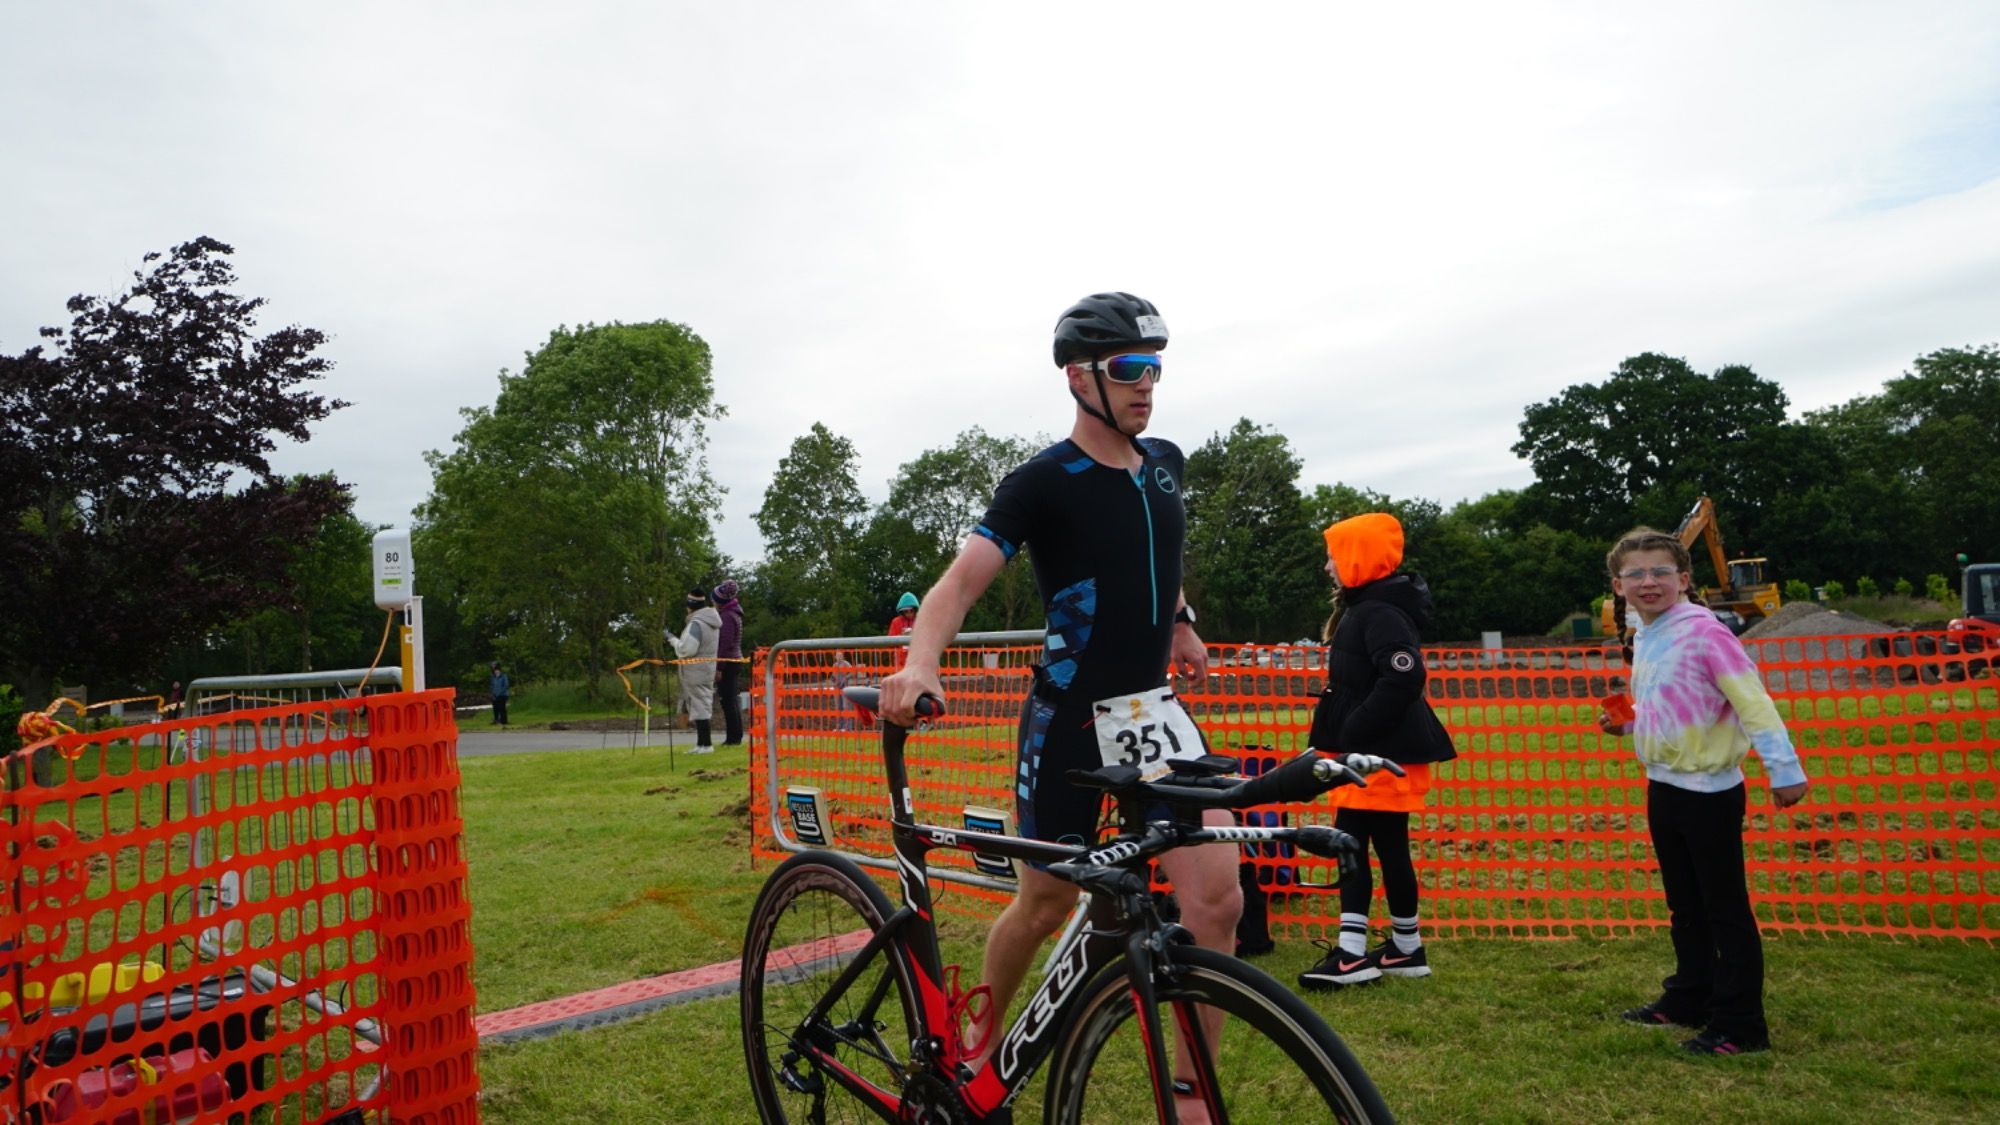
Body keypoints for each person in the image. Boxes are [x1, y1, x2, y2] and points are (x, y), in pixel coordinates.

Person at [881, 292, 1228, 1118]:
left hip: (1151, 712)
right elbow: (959, 584)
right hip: (1071, 717)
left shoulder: (1166, 462)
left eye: (1155, 368)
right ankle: (978, 1043)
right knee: (1047, 902)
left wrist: (1179, 619)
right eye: (1129, 369)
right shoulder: (1040, 482)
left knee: (1218, 898)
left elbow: (1157, 548)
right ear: (1079, 377)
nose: (1147, 385)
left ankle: (1192, 1097)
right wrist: (920, 663)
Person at [1599, 527, 1809, 1055]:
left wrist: (1784, 769)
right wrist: (1629, 724)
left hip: (1709, 792)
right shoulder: (1647, 634)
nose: (1649, 582)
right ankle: (1690, 997)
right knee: (1685, 905)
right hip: (1664, 786)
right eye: (1635, 574)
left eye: (1660, 571)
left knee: (1724, 909)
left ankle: (1741, 1025)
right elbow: (1671, 703)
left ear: (1684, 579)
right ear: (1618, 585)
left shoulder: (1706, 634)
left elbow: (1753, 704)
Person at [1297, 513, 1458, 990]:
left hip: (1375, 757)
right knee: (1389, 848)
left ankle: (1351, 956)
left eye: (1332, 556)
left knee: (1350, 845)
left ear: (1356, 558)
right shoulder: (1370, 607)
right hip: (1380, 755)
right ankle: (1406, 948)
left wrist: (1354, 730)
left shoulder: (1378, 613)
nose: (1327, 566)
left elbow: (1404, 676)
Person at [672, 586, 724, 751]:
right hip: (706, 669)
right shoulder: (710, 621)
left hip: (695, 671)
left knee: (700, 707)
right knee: (701, 705)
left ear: (690, 606)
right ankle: (701, 744)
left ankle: (706, 745)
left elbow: (687, 649)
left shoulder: (696, 623)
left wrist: (672, 639)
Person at [714, 579, 746, 745]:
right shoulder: (734, 613)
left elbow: (724, 644)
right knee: (731, 699)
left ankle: (733, 738)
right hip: (734, 659)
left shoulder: (727, 617)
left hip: (728, 662)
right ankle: (735, 735)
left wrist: (719, 667)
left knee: (727, 701)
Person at [888, 591, 919, 669]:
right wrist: (901, 637)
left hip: (918, 659)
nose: (909, 613)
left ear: (915, 610)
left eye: (911, 610)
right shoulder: (896, 622)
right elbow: (889, 643)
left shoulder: (921, 620)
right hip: (901, 661)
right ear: (902, 612)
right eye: (906, 611)